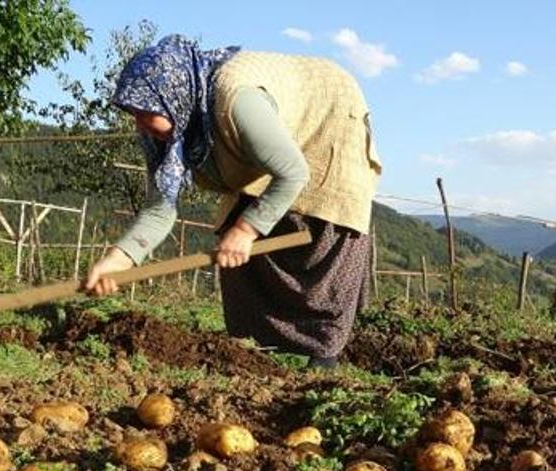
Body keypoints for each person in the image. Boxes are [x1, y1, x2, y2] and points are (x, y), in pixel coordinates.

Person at [82, 34, 382, 368]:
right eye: (132, 113)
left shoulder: (236, 103)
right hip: (271, 139)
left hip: (331, 114)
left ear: (172, 96)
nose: (139, 123)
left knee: (324, 234)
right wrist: (119, 259)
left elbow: (294, 173)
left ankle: (323, 357)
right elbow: (159, 209)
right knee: (237, 240)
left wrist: (247, 229)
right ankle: (255, 354)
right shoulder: (163, 128)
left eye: (144, 112)